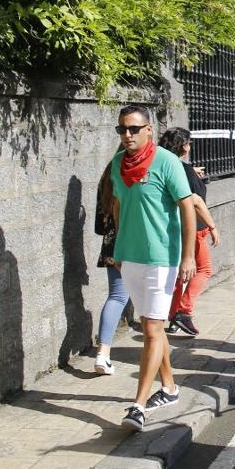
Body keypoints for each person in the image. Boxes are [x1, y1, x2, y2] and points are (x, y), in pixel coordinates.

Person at [109, 106, 196, 432]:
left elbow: (188, 208)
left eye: (133, 129)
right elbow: (119, 204)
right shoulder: (118, 165)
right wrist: (118, 247)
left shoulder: (166, 161)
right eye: (122, 130)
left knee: (151, 331)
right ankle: (170, 388)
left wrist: (187, 257)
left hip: (162, 258)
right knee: (152, 328)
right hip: (130, 257)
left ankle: (138, 405)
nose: (127, 135)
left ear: (149, 130)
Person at [158, 128, 221, 336]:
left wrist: (194, 173)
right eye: (189, 143)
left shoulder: (166, 165)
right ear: (183, 145)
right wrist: (212, 226)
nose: (190, 146)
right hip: (193, 228)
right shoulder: (183, 169)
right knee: (204, 270)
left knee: (177, 275)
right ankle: (183, 311)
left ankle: (173, 316)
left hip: (172, 227)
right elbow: (195, 200)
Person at [93, 154, 126, 376]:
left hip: (111, 242)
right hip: (130, 244)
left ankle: (103, 354)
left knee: (116, 296)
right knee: (123, 297)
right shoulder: (130, 176)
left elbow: (99, 225)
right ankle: (103, 354)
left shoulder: (107, 176)